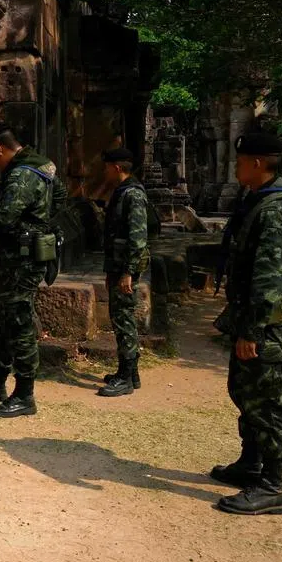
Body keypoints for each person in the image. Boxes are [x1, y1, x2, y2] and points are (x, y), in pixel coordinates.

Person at [210, 132, 282, 516]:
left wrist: (253, 331)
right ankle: (252, 463)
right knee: (244, 391)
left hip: (263, 326)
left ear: (258, 163)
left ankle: (272, 485)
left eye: (241, 160)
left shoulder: (275, 209)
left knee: (267, 402)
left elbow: (271, 277)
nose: (236, 166)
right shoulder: (258, 201)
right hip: (249, 318)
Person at [0, 123, 67, 418]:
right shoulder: (41, 165)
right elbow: (61, 196)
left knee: (18, 321)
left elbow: (3, 216)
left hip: (21, 259)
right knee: (3, 317)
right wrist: (41, 219)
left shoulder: (22, 173)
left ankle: (25, 394)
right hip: (17, 255)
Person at [97, 148, 150, 397]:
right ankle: (130, 372)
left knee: (124, 319)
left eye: (107, 166)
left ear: (117, 168)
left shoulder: (132, 195)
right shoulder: (121, 193)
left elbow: (138, 238)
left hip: (126, 268)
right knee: (121, 318)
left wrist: (128, 272)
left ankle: (126, 376)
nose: (104, 171)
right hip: (118, 266)